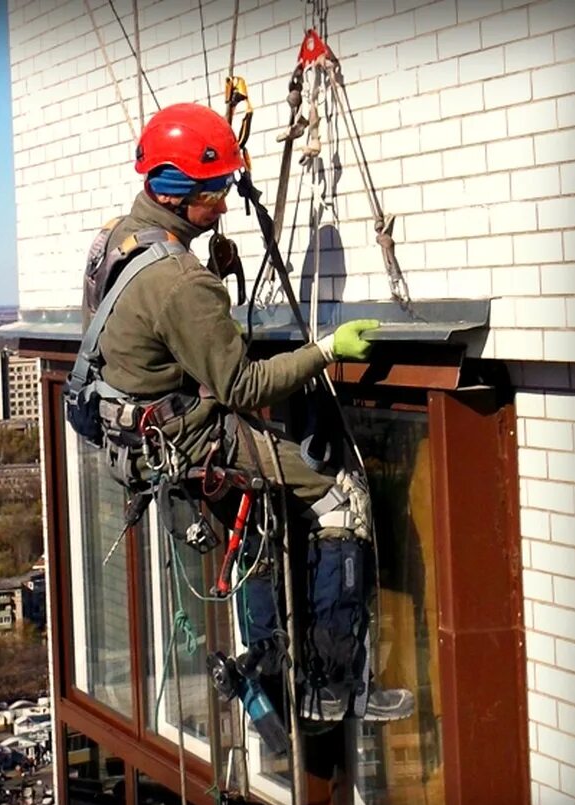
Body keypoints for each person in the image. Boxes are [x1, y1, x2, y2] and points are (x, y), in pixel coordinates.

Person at [94, 102, 413, 723]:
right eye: (215, 193)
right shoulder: (183, 283)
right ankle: (335, 687)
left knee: (256, 521)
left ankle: (266, 657)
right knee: (338, 500)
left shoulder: (117, 241)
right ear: (182, 195)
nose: (224, 205)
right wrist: (325, 350)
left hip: (136, 432)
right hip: (186, 435)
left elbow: (132, 339)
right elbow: (241, 384)